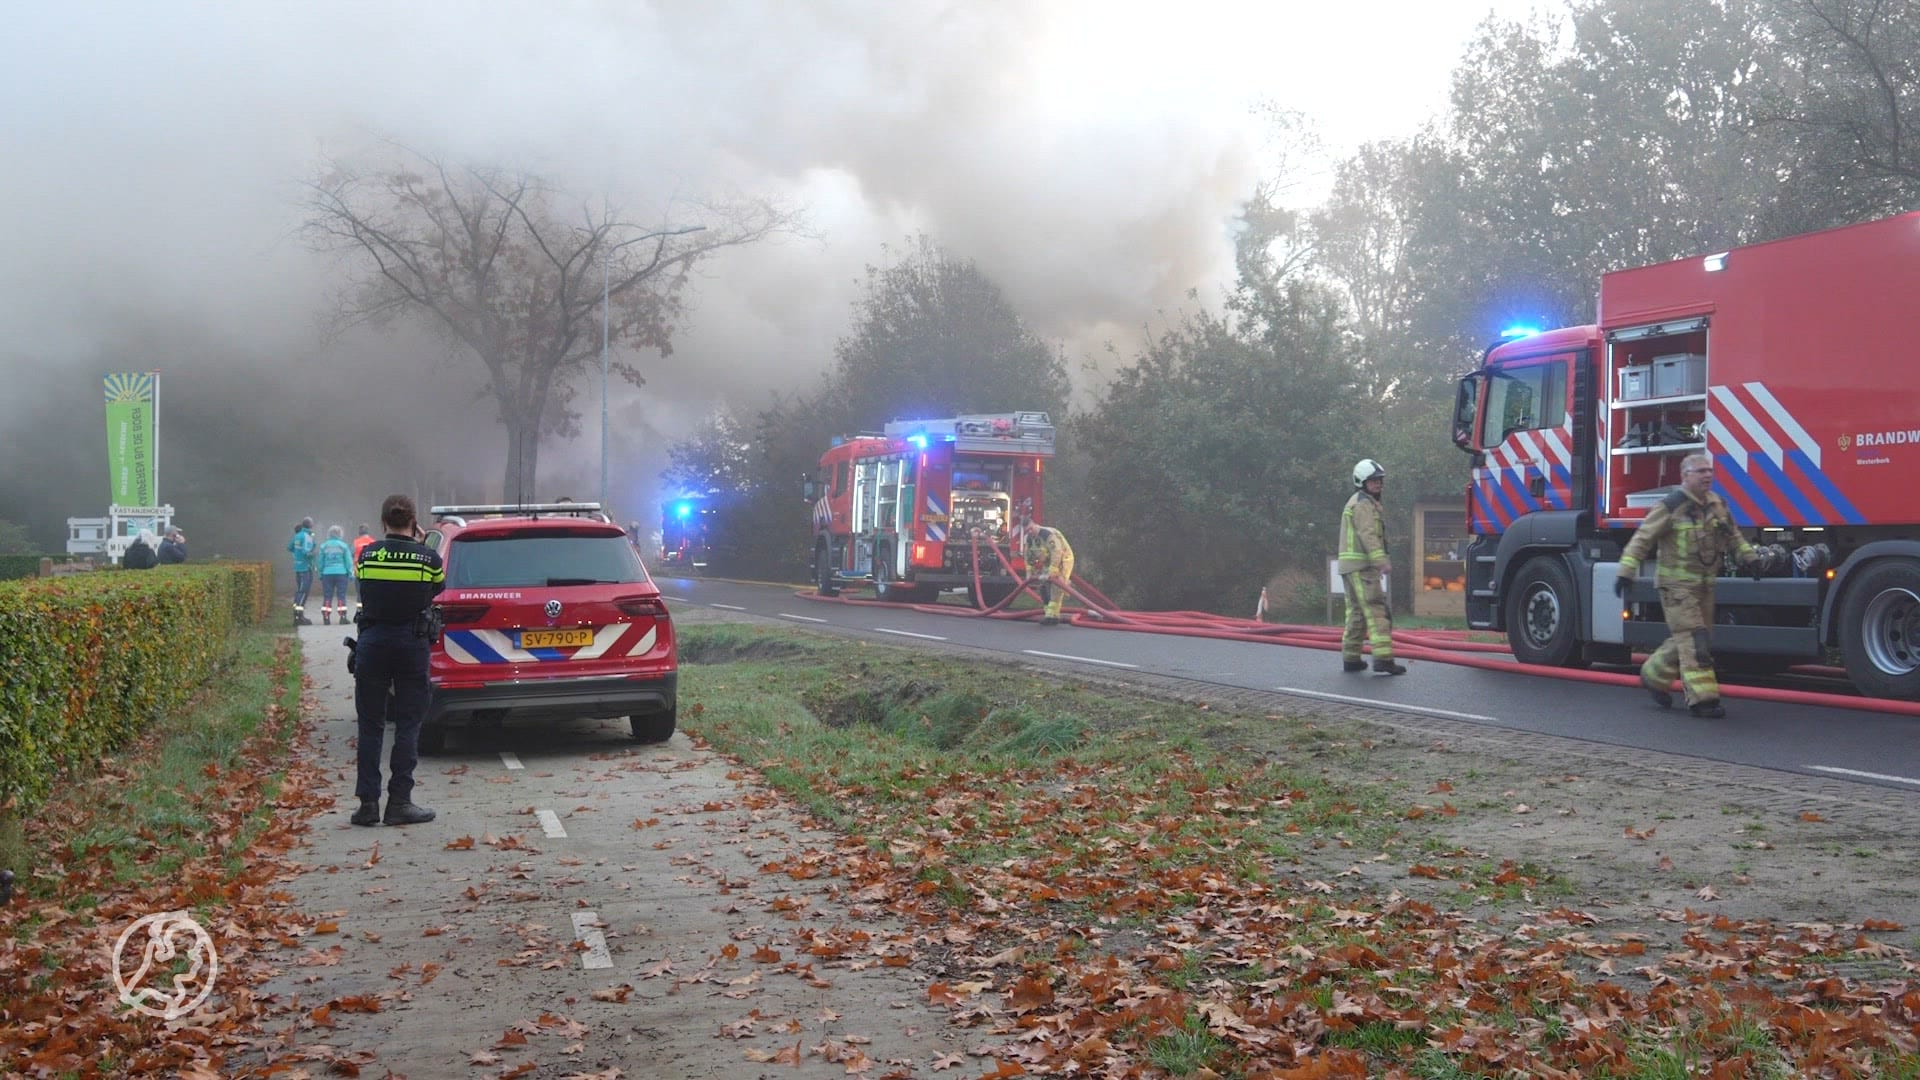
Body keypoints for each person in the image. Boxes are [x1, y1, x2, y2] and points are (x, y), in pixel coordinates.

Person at [1614, 452, 1764, 718]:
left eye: (1710, 470)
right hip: (1676, 588)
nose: (1708, 475)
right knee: (1696, 640)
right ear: (1685, 476)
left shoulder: (1717, 505)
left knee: (1691, 637)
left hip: (1704, 587)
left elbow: (1733, 536)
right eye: (1701, 471)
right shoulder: (1671, 506)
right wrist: (1626, 572)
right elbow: (1642, 539)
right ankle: (1703, 700)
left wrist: (1749, 558)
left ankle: (1653, 675)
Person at [350, 494, 445, 826]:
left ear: (383, 521)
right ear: (414, 522)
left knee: (371, 725)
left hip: (373, 642)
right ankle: (400, 802)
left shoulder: (367, 555)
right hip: (411, 644)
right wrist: (421, 544)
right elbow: (437, 588)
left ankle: (367, 805)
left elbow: (364, 585)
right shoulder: (427, 558)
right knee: (408, 723)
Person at [1337, 459, 1405, 675]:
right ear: (1361, 481)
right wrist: (1380, 561)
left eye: (1380, 480)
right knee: (1376, 610)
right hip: (1362, 566)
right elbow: (1368, 534)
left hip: (1350, 566)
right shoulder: (1363, 504)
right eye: (1373, 480)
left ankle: (1351, 658)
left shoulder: (1358, 501)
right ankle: (1383, 659)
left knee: (1356, 613)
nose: (1378, 484)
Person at [1022, 524, 1075, 626]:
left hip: (1063, 559)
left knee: (1056, 587)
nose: (1029, 532)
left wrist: (1053, 571)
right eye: (1027, 531)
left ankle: (1053, 616)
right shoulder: (1030, 539)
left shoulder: (1047, 534)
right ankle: (1048, 614)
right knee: (1043, 586)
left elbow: (1057, 552)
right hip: (1049, 562)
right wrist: (1029, 572)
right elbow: (1028, 556)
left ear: (1034, 525)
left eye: (1030, 529)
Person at [315, 525, 355, 626]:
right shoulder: (343, 546)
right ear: (340, 534)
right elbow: (348, 561)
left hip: (327, 573)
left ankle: (326, 617)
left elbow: (320, 562)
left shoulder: (324, 546)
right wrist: (350, 573)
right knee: (341, 595)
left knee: (327, 595)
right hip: (341, 573)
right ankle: (343, 617)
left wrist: (320, 573)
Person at [288, 517, 317, 625]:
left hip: (298, 566)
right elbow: (306, 552)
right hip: (305, 567)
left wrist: (297, 555)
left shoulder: (297, 535)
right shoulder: (307, 536)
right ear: (311, 525)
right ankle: (298, 617)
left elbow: (290, 547)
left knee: (300, 591)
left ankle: (298, 615)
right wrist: (313, 554)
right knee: (304, 591)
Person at [350, 524, 376, 616]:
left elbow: (351, 554)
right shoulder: (373, 542)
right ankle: (370, 610)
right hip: (370, 570)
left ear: (359, 532)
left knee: (359, 592)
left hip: (358, 570)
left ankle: (359, 611)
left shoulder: (355, 542)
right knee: (371, 591)